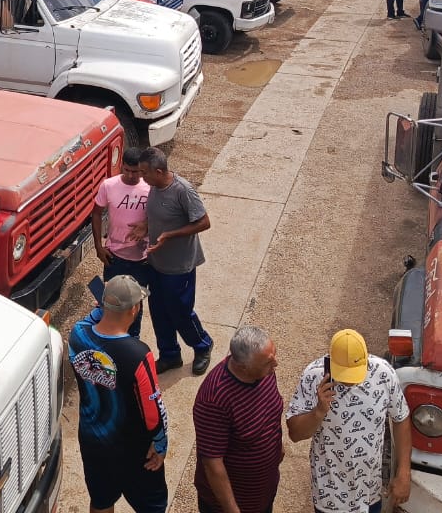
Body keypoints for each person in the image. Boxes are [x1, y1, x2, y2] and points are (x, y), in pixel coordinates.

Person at [69, 275, 170, 513]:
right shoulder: (138, 354)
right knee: (152, 506)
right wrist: (161, 443)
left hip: (93, 440)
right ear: (134, 309)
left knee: (101, 500)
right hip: (133, 449)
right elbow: (152, 410)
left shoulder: (77, 334)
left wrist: (103, 309)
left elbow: (90, 320)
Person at [285, 329, 412, 513]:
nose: (350, 382)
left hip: (369, 492)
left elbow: (401, 418)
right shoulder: (313, 376)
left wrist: (404, 472)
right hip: (329, 496)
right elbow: (295, 434)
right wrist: (318, 412)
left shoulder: (383, 374)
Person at [192, 325, 285, 513]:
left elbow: (271, 415)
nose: (275, 365)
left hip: (263, 493)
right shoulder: (214, 399)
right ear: (244, 367)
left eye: (274, 355)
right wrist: (232, 510)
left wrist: (277, 450)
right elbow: (212, 464)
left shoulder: (265, 373)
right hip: (231, 504)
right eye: (268, 362)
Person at [140, 145, 215, 375]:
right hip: (156, 262)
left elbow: (204, 222)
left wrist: (168, 235)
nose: (142, 177)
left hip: (179, 266)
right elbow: (156, 215)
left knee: (180, 310)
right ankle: (170, 354)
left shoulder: (183, 190)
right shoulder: (154, 186)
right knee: (159, 310)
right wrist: (144, 227)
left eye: (145, 172)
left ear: (159, 172)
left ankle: (202, 345)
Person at [94, 148, 152, 337]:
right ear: (121, 166)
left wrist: (146, 224)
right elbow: (96, 213)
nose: (130, 175)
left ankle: (133, 338)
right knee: (110, 299)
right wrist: (98, 246)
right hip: (114, 255)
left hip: (141, 257)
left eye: (135, 171)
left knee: (135, 302)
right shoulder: (108, 186)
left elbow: (163, 215)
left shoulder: (150, 187)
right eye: (126, 170)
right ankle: (110, 336)